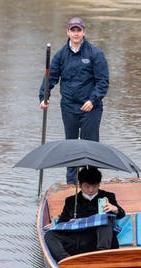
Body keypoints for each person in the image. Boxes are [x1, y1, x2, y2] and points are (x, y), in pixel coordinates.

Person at [39, 17, 110, 184]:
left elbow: (103, 81)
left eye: (79, 30)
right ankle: (71, 184)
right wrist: (44, 97)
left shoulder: (95, 53)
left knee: (91, 147)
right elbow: (51, 77)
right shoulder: (61, 55)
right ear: (68, 32)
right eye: (73, 30)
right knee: (70, 146)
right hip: (69, 107)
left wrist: (93, 100)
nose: (76, 33)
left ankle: (91, 184)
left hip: (90, 108)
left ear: (84, 32)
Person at [45, 167, 125, 262]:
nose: (91, 190)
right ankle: (66, 260)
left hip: (98, 240)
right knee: (49, 235)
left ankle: (102, 257)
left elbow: (121, 215)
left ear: (99, 185)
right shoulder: (71, 201)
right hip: (77, 241)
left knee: (106, 220)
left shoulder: (107, 196)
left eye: (94, 186)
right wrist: (69, 222)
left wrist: (114, 209)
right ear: (80, 185)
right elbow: (61, 223)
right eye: (87, 186)